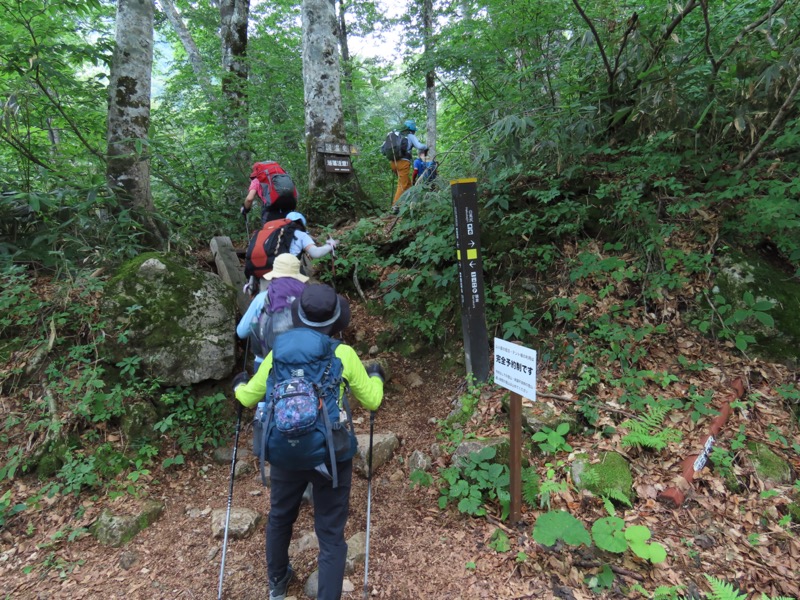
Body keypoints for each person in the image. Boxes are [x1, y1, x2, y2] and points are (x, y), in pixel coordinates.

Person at [233, 284, 385, 600]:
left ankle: (277, 582)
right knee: (330, 534)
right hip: (331, 454)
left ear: (299, 315)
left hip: (285, 452)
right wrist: (377, 377)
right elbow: (372, 401)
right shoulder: (342, 354)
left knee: (280, 517)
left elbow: (249, 398)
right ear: (335, 321)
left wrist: (239, 385)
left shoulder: (279, 354)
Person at [236, 253, 309, 370]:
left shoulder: (263, 297)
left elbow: (241, 332)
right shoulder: (309, 297)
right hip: (303, 362)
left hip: (266, 363)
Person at [389, 119, 427, 210]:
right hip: (403, 163)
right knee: (402, 184)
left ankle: (411, 202)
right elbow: (420, 146)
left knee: (407, 183)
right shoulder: (409, 135)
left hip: (392, 162)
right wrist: (427, 146)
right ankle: (396, 206)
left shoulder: (393, 134)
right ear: (412, 129)